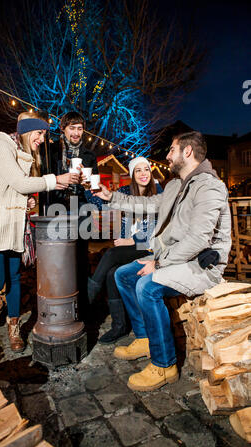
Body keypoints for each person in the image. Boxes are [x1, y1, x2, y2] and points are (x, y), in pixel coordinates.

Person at [94, 131, 232, 391]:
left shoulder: (210, 186)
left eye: (172, 149)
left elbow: (199, 240)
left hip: (201, 265)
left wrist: (158, 264)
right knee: (122, 274)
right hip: (175, 258)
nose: (167, 155)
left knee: (146, 286)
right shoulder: (174, 185)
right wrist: (111, 197)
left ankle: (165, 364)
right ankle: (146, 338)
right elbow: (147, 204)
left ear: (187, 152)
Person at [0, 111, 80, 352]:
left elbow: (13, 188)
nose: (42, 139)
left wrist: (25, 200)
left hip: (14, 225)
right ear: (28, 130)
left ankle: (13, 327)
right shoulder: (1, 144)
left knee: (14, 279)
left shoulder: (23, 153)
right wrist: (54, 179)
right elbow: (17, 182)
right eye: (39, 133)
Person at [85, 157, 163, 344]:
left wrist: (132, 239)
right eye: (138, 170)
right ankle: (119, 327)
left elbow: (158, 227)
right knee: (112, 273)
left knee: (111, 254)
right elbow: (100, 204)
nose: (143, 173)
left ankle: (86, 302)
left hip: (150, 246)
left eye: (147, 169)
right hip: (130, 246)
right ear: (132, 174)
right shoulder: (125, 191)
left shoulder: (158, 191)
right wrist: (89, 188)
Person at [40, 111, 98, 316]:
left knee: (81, 256)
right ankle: (57, 304)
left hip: (80, 208)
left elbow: (95, 187)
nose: (76, 132)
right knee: (59, 256)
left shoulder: (89, 155)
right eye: (72, 128)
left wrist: (87, 182)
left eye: (80, 128)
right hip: (57, 207)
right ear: (63, 128)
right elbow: (44, 177)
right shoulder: (52, 150)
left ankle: (82, 307)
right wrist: (61, 178)